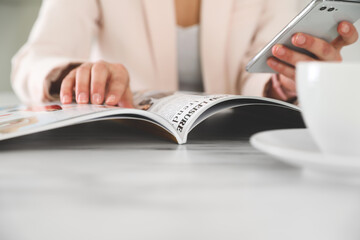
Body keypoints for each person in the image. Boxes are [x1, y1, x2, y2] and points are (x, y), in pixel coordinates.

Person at [11, 0, 358, 107]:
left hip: (237, 155)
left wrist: (288, 80)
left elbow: (258, 72)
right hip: (125, 150)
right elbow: (34, 59)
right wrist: (72, 75)